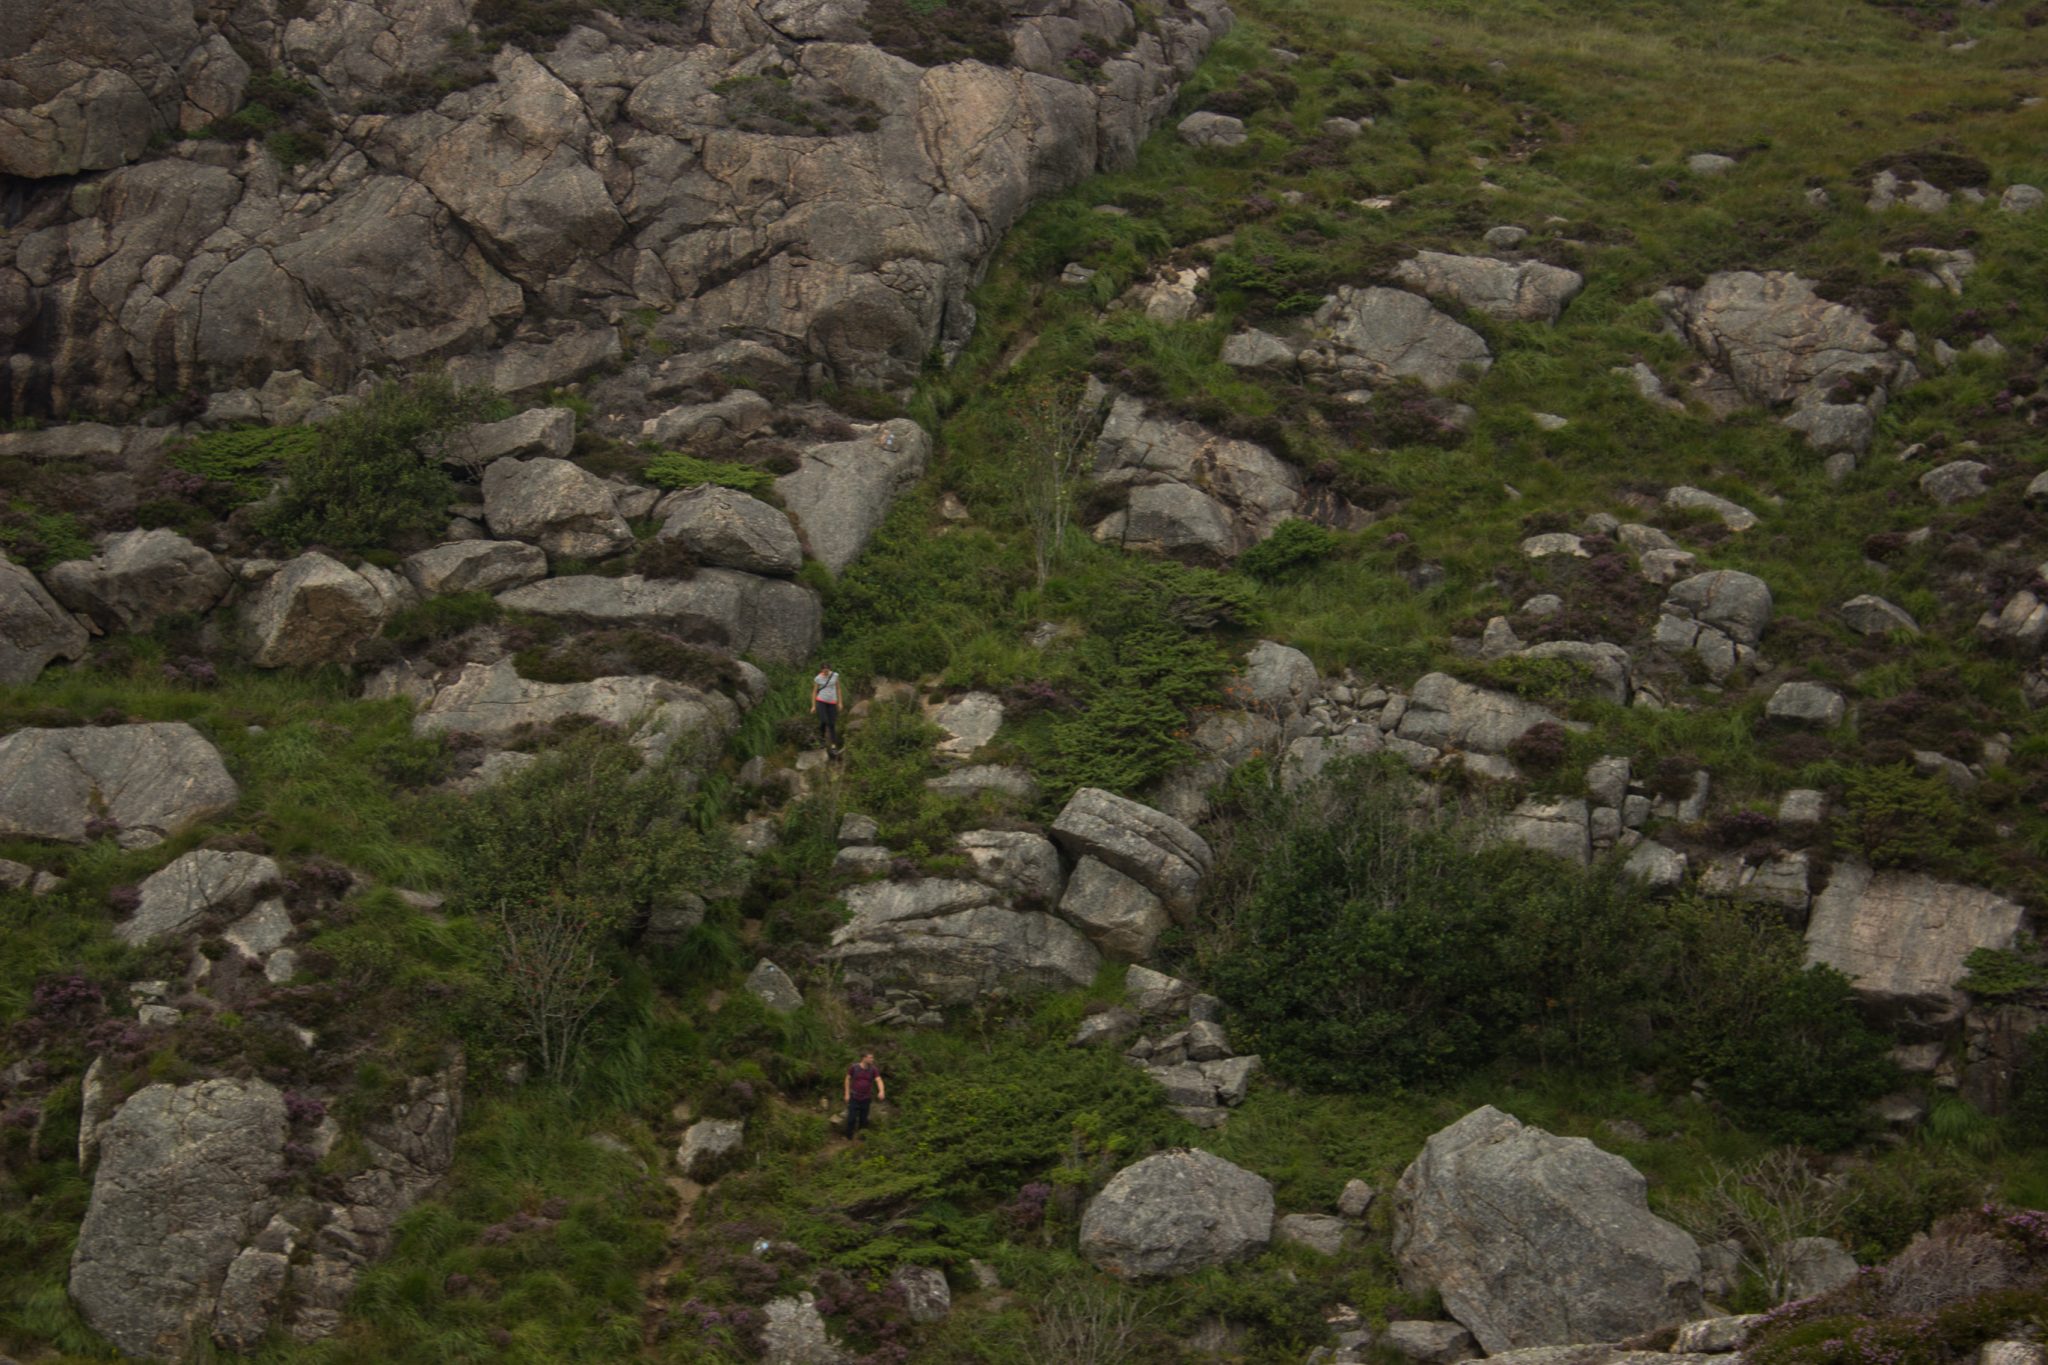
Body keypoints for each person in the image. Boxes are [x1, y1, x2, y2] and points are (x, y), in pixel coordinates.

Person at [842, 1052, 884, 1140]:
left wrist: (881, 1091)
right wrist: (847, 1093)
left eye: (872, 1058)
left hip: (866, 1098)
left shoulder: (873, 1069)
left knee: (863, 1120)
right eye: (870, 1058)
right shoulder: (854, 1067)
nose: (872, 1059)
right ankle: (848, 1137)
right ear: (864, 1058)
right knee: (851, 1118)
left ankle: (861, 1139)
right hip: (854, 1097)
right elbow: (847, 1079)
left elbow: (878, 1080)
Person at [811, 663, 843, 752]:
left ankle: (833, 746)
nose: (826, 672)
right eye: (824, 671)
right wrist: (813, 706)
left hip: (832, 702)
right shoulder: (818, 678)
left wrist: (840, 702)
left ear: (829, 669)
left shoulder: (835, 676)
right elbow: (814, 692)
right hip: (821, 701)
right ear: (821, 670)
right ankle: (821, 740)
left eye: (827, 671)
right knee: (824, 721)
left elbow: (838, 689)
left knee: (832, 724)